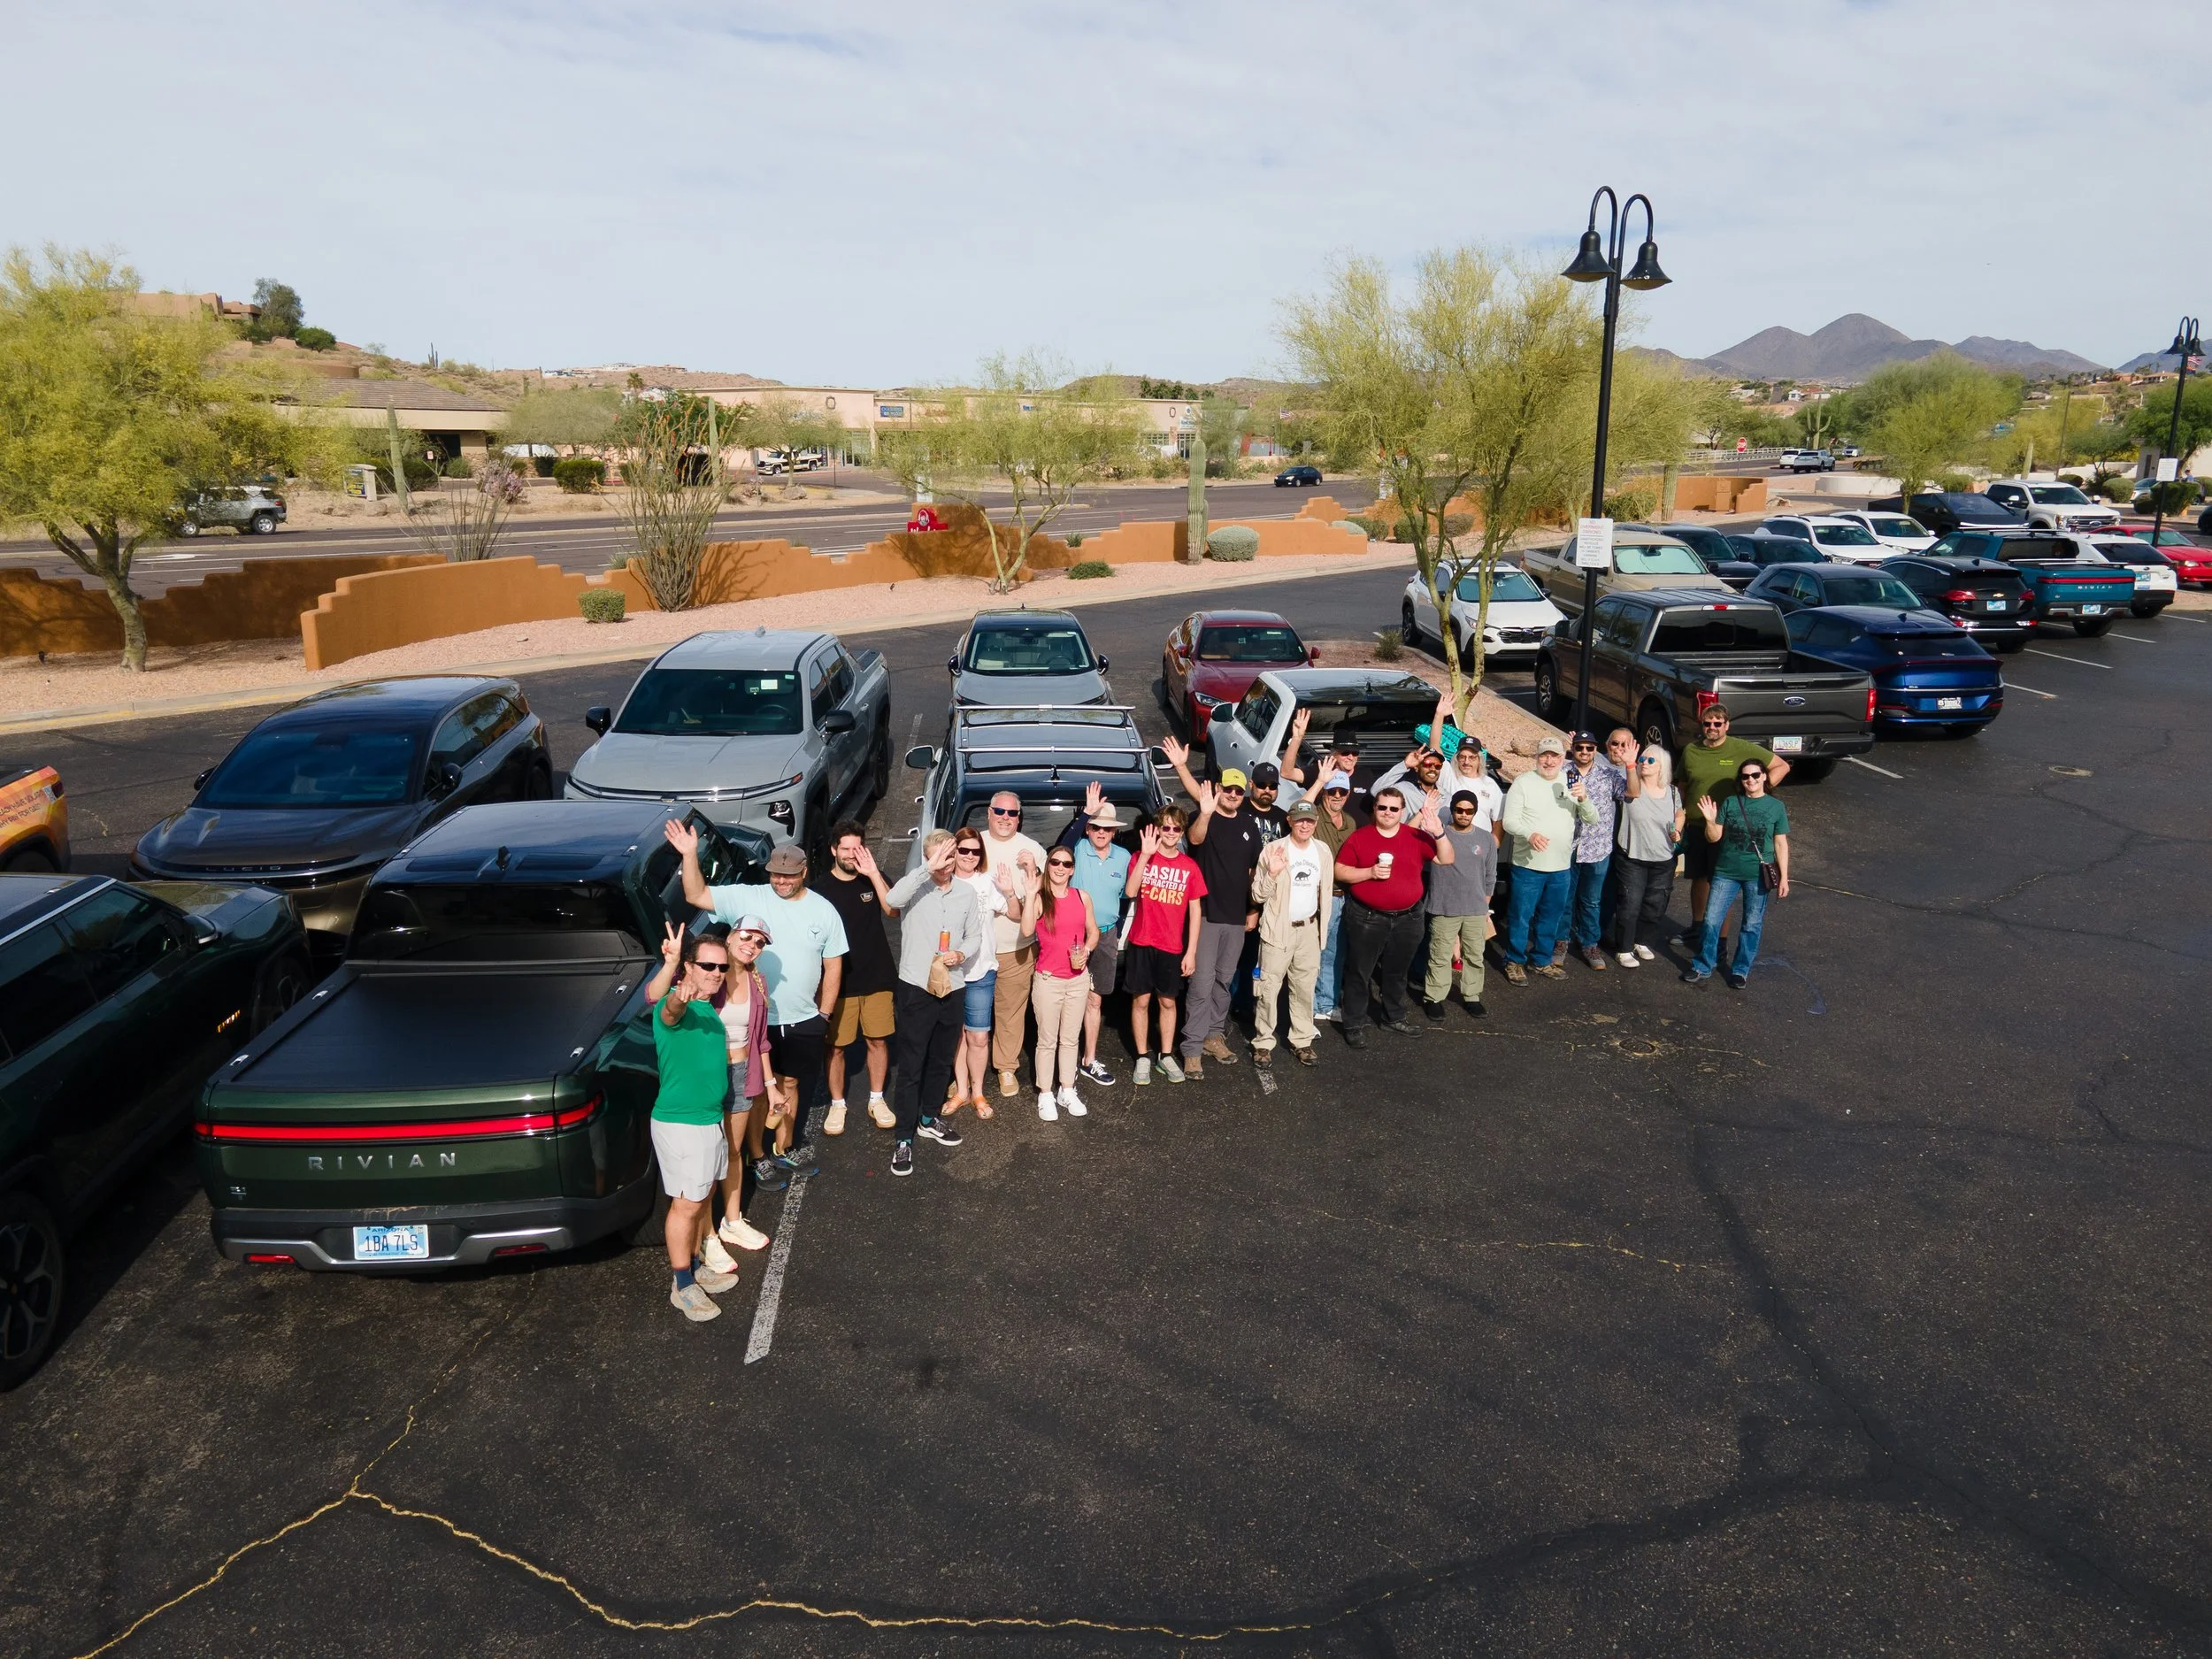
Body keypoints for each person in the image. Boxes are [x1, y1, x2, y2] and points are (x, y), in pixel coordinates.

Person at [669, 826, 846, 1180]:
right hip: (751, 1019)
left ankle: (784, 1147)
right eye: (776, 875)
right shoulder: (746, 896)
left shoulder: (824, 910)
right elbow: (696, 894)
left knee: (790, 1084)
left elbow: (833, 964)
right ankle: (757, 1153)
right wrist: (689, 855)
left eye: (789, 876)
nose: (781, 881)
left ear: (804, 872)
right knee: (755, 1093)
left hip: (802, 1018)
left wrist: (823, 1013)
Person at [642, 926, 742, 1322]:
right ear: (689, 966)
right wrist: (673, 984)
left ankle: (697, 1265)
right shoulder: (677, 1005)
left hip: (708, 1121)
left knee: (703, 1198)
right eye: (707, 966)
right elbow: (667, 1008)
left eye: (722, 967)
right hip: (683, 1124)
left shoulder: (707, 1009)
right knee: (687, 1205)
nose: (717, 973)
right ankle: (682, 1285)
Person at [1159, 737, 1263, 1079]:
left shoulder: (1249, 825)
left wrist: (1253, 909)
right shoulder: (1202, 818)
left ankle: (1214, 1037)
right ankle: (1191, 1048)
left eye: (1237, 791)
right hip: (1205, 915)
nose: (1232, 795)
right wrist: (1181, 769)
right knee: (1201, 985)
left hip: (1236, 918)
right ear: (1217, 790)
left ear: (1243, 792)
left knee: (1223, 982)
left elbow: (1251, 872)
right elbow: (1197, 838)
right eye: (1227, 790)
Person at [883, 830, 979, 1176]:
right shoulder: (915, 887)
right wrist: (927, 868)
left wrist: (961, 953)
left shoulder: (966, 894)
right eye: (938, 858)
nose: (945, 865)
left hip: (952, 986)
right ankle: (903, 1138)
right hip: (916, 989)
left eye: (950, 858)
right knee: (911, 1065)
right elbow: (892, 899)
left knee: (940, 1060)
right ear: (927, 857)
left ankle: (928, 1117)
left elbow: (975, 935)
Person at [1333, 784, 1454, 1047]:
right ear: (1375, 809)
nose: (1387, 812)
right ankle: (1354, 1023)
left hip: (1408, 918)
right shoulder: (1360, 837)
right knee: (1359, 972)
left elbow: (1447, 859)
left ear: (1402, 811)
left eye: (1393, 808)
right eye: (1382, 807)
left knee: (1397, 971)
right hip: (1367, 917)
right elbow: (1340, 870)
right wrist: (1369, 873)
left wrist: (1439, 833)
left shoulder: (1415, 836)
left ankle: (1393, 1017)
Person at [1677, 704, 1788, 954]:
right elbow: (1683, 785)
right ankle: (1697, 927)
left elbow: (1781, 766)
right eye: (1708, 724)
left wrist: (1758, 791)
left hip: (1726, 828)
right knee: (1698, 878)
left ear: (1727, 725)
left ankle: (1721, 943)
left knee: (1720, 886)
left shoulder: (1740, 748)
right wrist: (1680, 816)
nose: (1712, 728)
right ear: (1701, 725)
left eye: (1718, 723)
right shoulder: (1691, 751)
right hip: (1696, 825)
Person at [703, 918, 778, 1267]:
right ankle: (706, 1236)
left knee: (733, 1153)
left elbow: (760, 1040)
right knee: (706, 1158)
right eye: (747, 937)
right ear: (731, 936)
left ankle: (732, 1221)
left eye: (760, 942)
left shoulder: (756, 980)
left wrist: (771, 1086)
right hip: (706, 1076)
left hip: (742, 1074)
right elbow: (657, 999)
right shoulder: (709, 976)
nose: (752, 945)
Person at [818, 823, 898, 1134]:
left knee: (878, 1040)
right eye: (847, 848)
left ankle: (876, 1099)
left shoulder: (872, 878)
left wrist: (875, 873)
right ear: (834, 850)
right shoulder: (819, 890)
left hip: (877, 976)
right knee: (836, 1047)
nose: (853, 855)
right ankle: (838, 1104)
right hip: (838, 983)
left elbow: (893, 910)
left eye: (858, 848)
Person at [1683, 757, 1790, 987]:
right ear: (1741, 781)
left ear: (1763, 777)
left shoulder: (1776, 807)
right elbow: (1714, 838)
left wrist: (1784, 878)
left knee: (1751, 924)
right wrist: (1711, 821)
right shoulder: (1731, 803)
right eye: (1745, 776)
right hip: (1726, 871)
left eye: (1754, 775)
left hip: (1757, 874)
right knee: (1711, 920)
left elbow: (1781, 843)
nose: (1750, 780)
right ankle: (1703, 965)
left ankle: (1741, 970)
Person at [1498, 736, 1594, 987]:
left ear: (1563, 759)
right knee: (1521, 916)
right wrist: (1530, 834)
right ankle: (1514, 961)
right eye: (1544, 755)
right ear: (1536, 758)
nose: (1549, 760)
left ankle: (1541, 960)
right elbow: (1509, 821)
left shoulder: (1572, 783)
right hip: (1528, 866)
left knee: (1551, 917)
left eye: (1554, 756)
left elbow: (1593, 819)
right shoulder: (1523, 783)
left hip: (1561, 867)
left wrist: (1583, 798)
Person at [1122, 808, 1205, 1085]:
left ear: (1182, 832)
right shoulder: (1140, 857)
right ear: (1157, 828)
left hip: (1172, 945)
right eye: (1165, 828)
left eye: (1176, 829)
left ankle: (1166, 1055)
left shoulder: (1189, 866)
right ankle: (1143, 1056)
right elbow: (1131, 892)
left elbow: (1195, 911)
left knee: (1168, 1002)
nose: (1170, 834)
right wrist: (1145, 854)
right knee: (1141, 1000)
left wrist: (1191, 951)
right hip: (1142, 941)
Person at [1056, 783, 1131, 1086]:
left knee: (1094, 1001)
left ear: (1114, 833)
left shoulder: (1124, 858)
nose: (1101, 833)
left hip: (1106, 935)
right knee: (1064, 999)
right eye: (1096, 827)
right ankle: (1065, 1058)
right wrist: (1085, 814)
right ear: (1088, 829)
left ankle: (1089, 1059)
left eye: (1107, 829)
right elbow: (1060, 845)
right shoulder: (1076, 850)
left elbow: (1128, 894)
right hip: (1071, 936)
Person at [1248, 798, 1333, 1066]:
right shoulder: (1274, 850)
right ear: (1290, 821)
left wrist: (1322, 929)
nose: (1304, 824)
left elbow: (1326, 892)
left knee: (1304, 987)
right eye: (1299, 820)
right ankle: (1263, 1042)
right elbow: (1257, 895)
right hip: (1278, 929)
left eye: (1309, 820)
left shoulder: (1322, 851)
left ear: (1316, 822)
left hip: (1309, 928)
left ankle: (1302, 1040)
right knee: (1268, 988)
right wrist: (1272, 874)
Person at [1022, 843, 1100, 1118]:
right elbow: (1027, 929)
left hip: (1077, 980)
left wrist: (1087, 950)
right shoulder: (1041, 898)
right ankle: (1046, 1094)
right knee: (1046, 1040)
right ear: (1048, 866)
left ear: (1072, 870)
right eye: (1055, 862)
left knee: (1069, 1039)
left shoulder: (1082, 897)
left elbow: (1093, 932)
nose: (1060, 868)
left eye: (1066, 864)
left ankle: (1067, 1089)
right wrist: (1031, 894)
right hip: (1048, 979)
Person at [979, 792, 1044, 1099]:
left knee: (1010, 1013)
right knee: (971, 1016)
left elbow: (1042, 902)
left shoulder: (1032, 850)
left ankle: (1006, 1067)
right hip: (973, 950)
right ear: (989, 813)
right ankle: (965, 1073)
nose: (1006, 817)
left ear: (1020, 817)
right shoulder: (971, 845)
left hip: (1017, 949)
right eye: (1000, 811)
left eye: (1012, 813)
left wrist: (1032, 869)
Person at [1562, 729, 1636, 972]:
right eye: (1579, 747)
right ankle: (1560, 941)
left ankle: (1590, 943)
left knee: (1592, 901)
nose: (1584, 752)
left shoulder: (1608, 774)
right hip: (1566, 845)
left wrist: (1631, 765)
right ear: (1572, 749)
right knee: (1565, 898)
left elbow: (1633, 793)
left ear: (1596, 749)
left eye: (1589, 748)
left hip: (1598, 847)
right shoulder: (1561, 772)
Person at [1422, 787, 1499, 1019]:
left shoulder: (1485, 838)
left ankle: (1472, 996)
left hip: (1475, 909)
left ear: (1475, 812)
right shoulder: (1438, 834)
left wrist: (1485, 906)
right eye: (1459, 809)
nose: (1464, 814)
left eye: (1470, 811)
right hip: (1444, 907)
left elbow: (1490, 876)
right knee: (1440, 955)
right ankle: (1434, 997)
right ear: (1453, 810)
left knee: (1475, 955)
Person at [948, 826, 1008, 1117]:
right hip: (951, 972)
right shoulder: (942, 883)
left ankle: (979, 1093)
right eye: (964, 850)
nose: (970, 856)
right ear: (954, 851)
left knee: (979, 1036)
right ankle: (961, 1091)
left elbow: (1016, 913)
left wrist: (1010, 892)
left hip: (982, 970)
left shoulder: (987, 883)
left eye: (976, 851)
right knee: (958, 1035)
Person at [1301, 757, 1363, 1023]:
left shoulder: (1350, 822)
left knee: (1337, 951)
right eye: (1332, 791)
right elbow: (1299, 807)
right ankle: (1308, 1004)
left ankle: (1326, 1003)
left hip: (1344, 896)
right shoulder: (1312, 816)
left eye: (1342, 791)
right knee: (1314, 951)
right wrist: (1319, 781)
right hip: (1318, 896)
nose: (1336, 796)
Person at [1611, 744, 1685, 967]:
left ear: (1663, 766)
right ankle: (1624, 948)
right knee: (1630, 903)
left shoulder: (1671, 791)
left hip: (1663, 858)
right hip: (1633, 857)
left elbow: (1679, 812)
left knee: (1656, 904)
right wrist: (1630, 764)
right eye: (1642, 759)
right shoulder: (1631, 787)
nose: (1645, 763)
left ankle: (1641, 941)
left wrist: (1678, 829)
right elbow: (1632, 790)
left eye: (1650, 761)